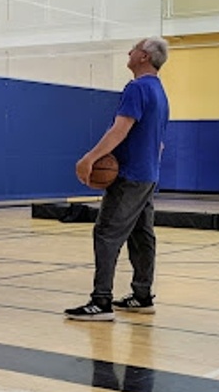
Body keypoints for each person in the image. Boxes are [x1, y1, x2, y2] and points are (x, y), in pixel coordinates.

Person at [65, 37, 170, 321]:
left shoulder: (136, 88)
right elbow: (159, 143)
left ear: (144, 57)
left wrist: (89, 158)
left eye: (134, 49)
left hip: (130, 175)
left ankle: (101, 302)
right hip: (149, 175)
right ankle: (142, 295)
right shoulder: (160, 92)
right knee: (141, 235)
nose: (129, 52)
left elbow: (119, 130)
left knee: (106, 233)